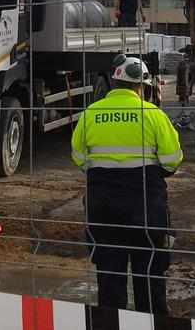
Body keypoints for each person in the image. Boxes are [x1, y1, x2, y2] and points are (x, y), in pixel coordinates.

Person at [71, 56, 182, 315]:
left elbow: (79, 156)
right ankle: (151, 320)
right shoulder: (153, 114)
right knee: (150, 268)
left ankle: (110, 322)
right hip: (145, 201)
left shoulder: (91, 113)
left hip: (102, 201)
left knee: (109, 271)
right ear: (139, 87)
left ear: (115, 82)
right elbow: (172, 161)